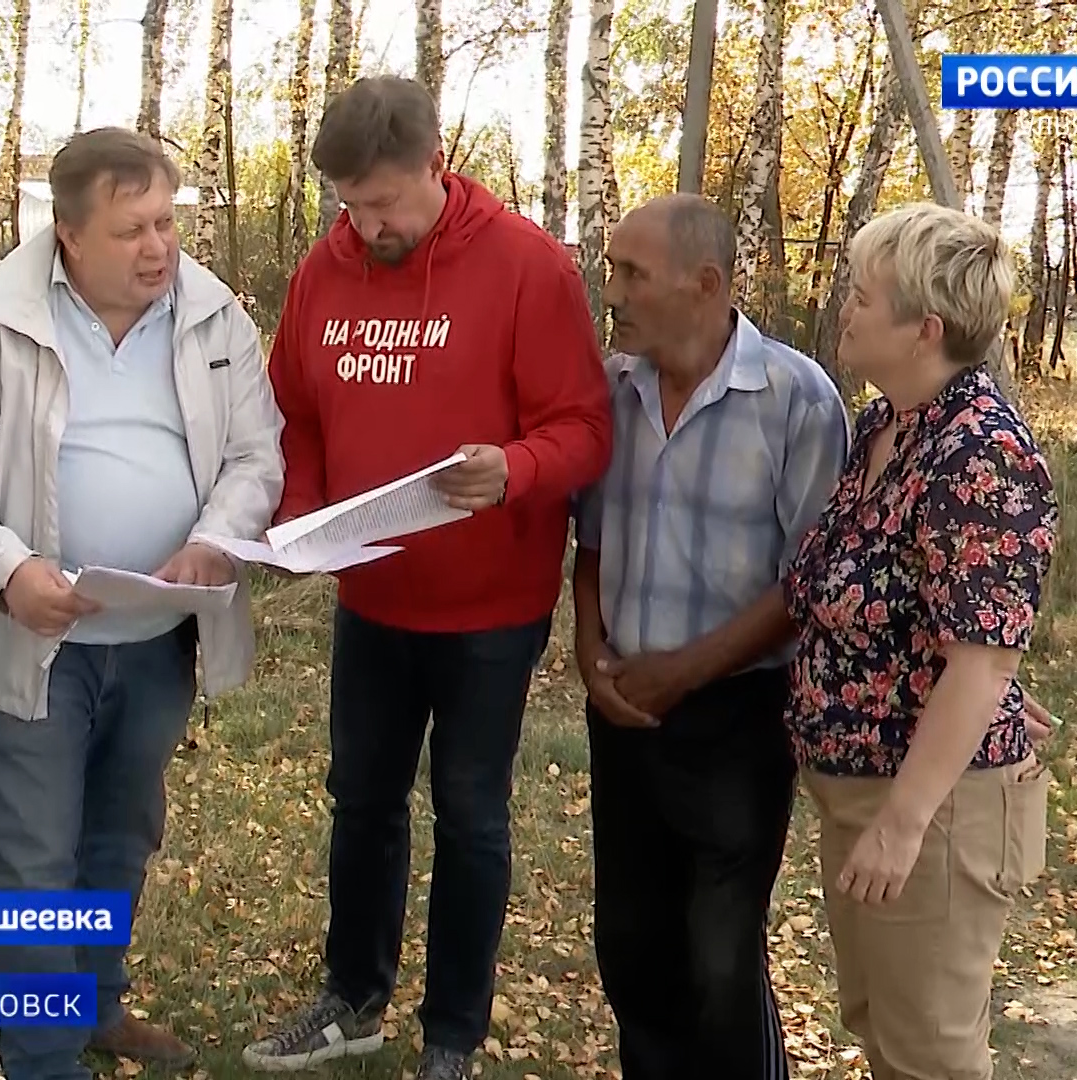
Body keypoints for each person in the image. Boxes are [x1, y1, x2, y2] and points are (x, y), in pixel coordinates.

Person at [241, 76, 612, 1080]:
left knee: (470, 812)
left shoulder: (527, 266)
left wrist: (514, 469)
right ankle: (352, 997)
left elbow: (585, 428)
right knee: (362, 798)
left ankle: (452, 1032)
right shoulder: (326, 271)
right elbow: (294, 414)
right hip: (371, 597)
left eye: (385, 204)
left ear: (436, 168)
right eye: (350, 206)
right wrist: (300, 518)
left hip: (490, 607)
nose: (369, 227)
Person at [0, 127, 283, 1080]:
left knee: (119, 837)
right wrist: (8, 569)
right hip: (31, 636)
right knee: (29, 860)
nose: (158, 248)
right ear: (67, 234)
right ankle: (42, 1060)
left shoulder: (214, 316)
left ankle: (96, 1005)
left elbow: (254, 455)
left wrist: (215, 537)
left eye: (165, 223)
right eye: (130, 230)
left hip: (156, 634)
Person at [569, 194, 850, 1079]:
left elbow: (809, 582)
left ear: (707, 284)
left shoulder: (798, 402)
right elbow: (591, 542)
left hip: (738, 716)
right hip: (624, 710)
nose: (613, 292)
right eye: (611, 270)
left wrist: (685, 672)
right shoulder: (612, 391)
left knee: (721, 958)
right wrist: (589, 651)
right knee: (630, 941)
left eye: (632, 274)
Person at [782, 202, 1058, 1080]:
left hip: (933, 809)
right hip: (861, 790)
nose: (845, 309)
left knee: (929, 1055)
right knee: (886, 1032)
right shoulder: (887, 426)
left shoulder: (978, 452)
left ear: (925, 329)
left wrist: (903, 826)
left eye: (864, 297)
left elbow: (982, 661)